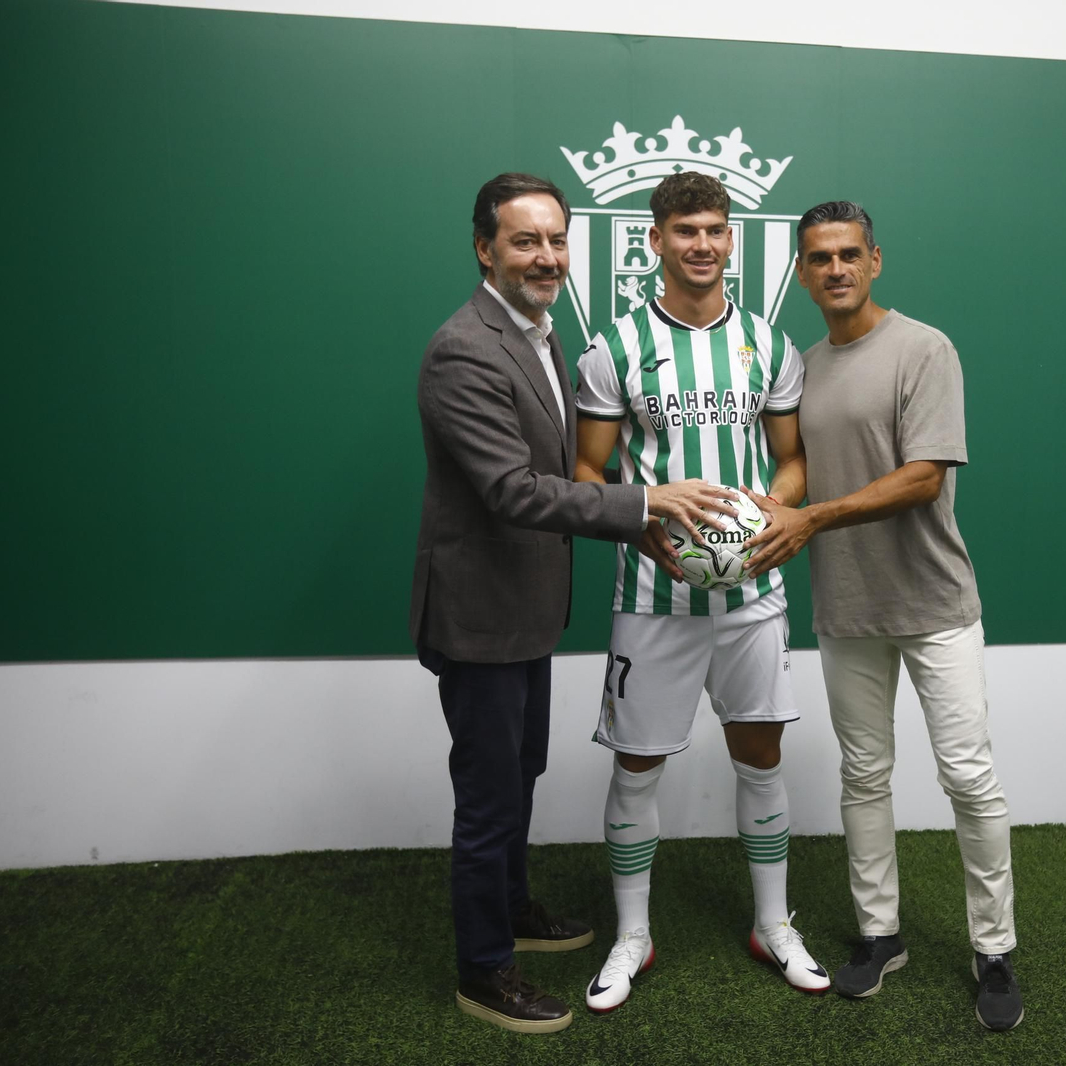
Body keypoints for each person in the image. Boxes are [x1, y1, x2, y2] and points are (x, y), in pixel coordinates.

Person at [410, 172, 731, 1034]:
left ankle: (511, 908)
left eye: (556, 241)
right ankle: (484, 970)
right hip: (479, 614)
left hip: (526, 608)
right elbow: (515, 491)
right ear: (485, 249)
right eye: (525, 242)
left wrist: (642, 520)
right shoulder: (464, 348)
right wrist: (646, 505)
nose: (546, 257)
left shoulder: (542, 334)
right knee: (486, 795)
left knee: (522, 772)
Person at [741, 201, 1024, 1030]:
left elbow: (923, 478)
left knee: (969, 777)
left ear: (874, 261)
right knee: (863, 775)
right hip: (848, 607)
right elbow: (791, 469)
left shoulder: (924, 349)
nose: (834, 269)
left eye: (848, 255)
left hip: (936, 604)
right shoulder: (800, 368)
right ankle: (879, 933)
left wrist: (811, 519)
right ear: (800, 272)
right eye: (819, 258)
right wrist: (767, 510)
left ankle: (995, 949)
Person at [573, 171, 830, 1012]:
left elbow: (792, 459)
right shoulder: (615, 347)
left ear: (731, 241)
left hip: (750, 595)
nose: (703, 244)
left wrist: (775, 509)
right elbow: (586, 470)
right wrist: (638, 518)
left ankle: (771, 925)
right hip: (654, 597)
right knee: (638, 764)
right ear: (654, 240)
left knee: (760, 755)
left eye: (717, 230)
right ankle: (633, 937)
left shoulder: (767, 343)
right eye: (686, 230)